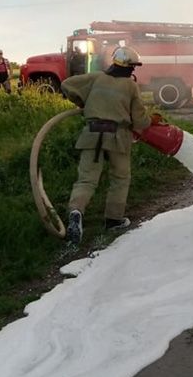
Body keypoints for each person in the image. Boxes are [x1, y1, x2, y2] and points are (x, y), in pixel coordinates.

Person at [60, 46, 160, 244]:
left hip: (92, 134)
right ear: (129, 67)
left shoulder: (96, 77)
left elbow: (66, 85)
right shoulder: (131, 87)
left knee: (86, 180)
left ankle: (76, 212)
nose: (133, 70)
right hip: (118, 137)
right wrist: (150, 122)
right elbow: (139, 120)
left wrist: (82, 102)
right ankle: (113, 220)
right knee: (120, 178)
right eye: (133, 67)